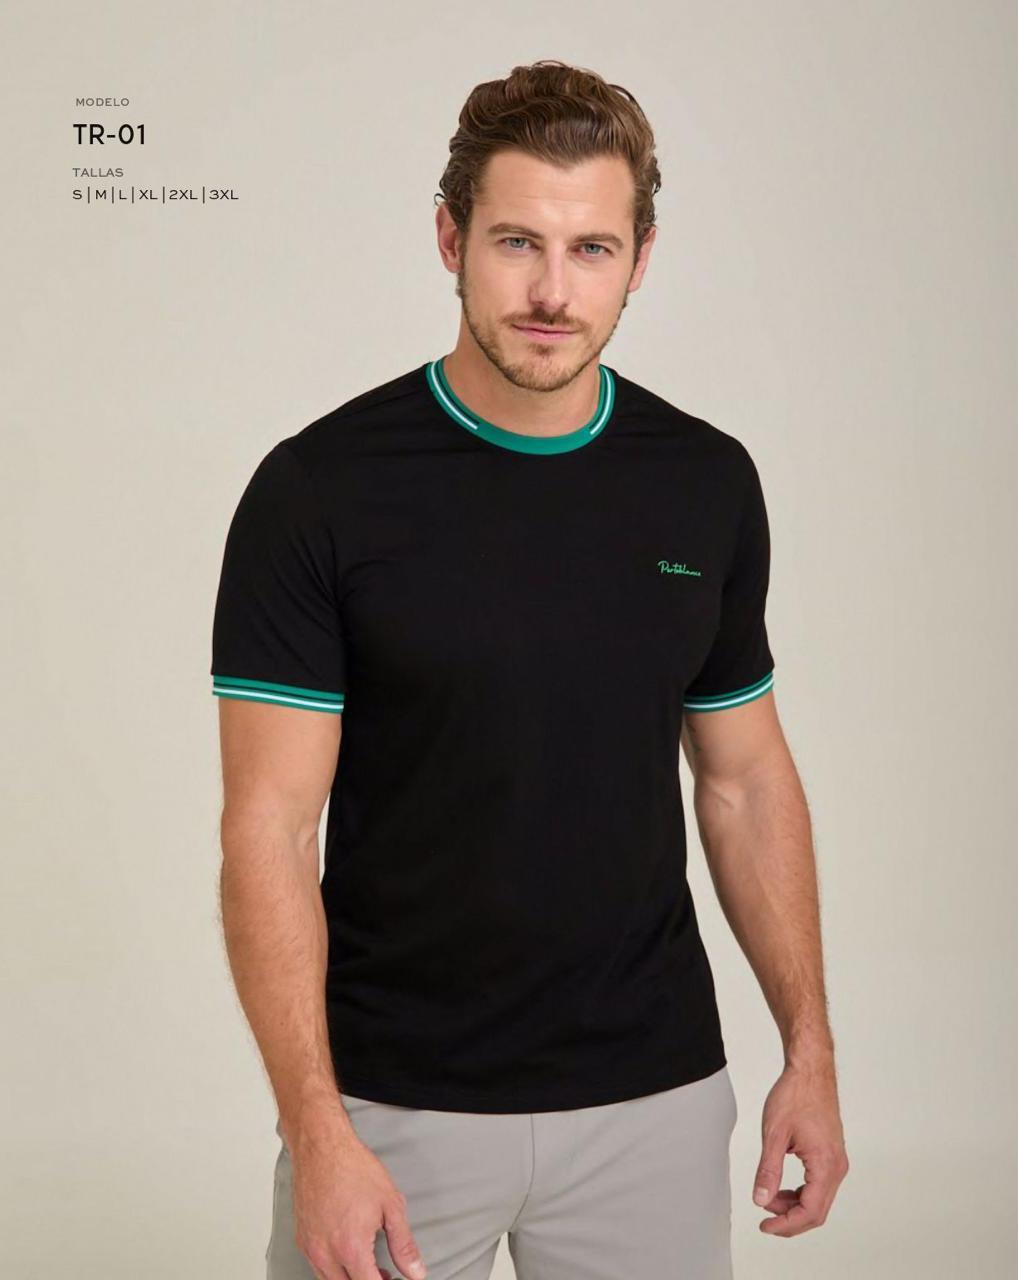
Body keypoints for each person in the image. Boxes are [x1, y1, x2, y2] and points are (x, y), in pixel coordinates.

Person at [210, 58, 848, 1280]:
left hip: (654, 1100)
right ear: (449, 236)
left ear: (639, 259)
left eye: (591, 248)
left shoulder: (705, 482)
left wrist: (807, 1051)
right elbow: (269, 829)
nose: (553, 290)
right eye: (516, 242)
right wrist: (316, 1124)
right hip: (391, 1107)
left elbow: (744, 780)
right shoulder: (319, 490)